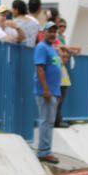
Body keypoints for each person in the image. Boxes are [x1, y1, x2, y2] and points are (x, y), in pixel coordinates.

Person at [33, 20, 63, 163]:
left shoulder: (52, 48)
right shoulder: (42, 47)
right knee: (46, 121)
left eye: (54, 31)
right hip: (46, 91)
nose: (52, 34)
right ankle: (44, 151)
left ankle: (46, 150)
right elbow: (40, 68)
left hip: (53, 90)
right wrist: (45, 89)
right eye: (49, 31)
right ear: (43, 32)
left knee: (49, 122)